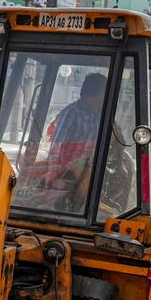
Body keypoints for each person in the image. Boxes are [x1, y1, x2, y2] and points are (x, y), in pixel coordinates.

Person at [48, 72, 106, 210]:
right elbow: (56, 147)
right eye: (104, 91)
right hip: (69, 167)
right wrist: (54, 175)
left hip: (88, 164)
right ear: (95, 92)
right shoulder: (71, 113)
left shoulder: (98, 114)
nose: (107, 95)